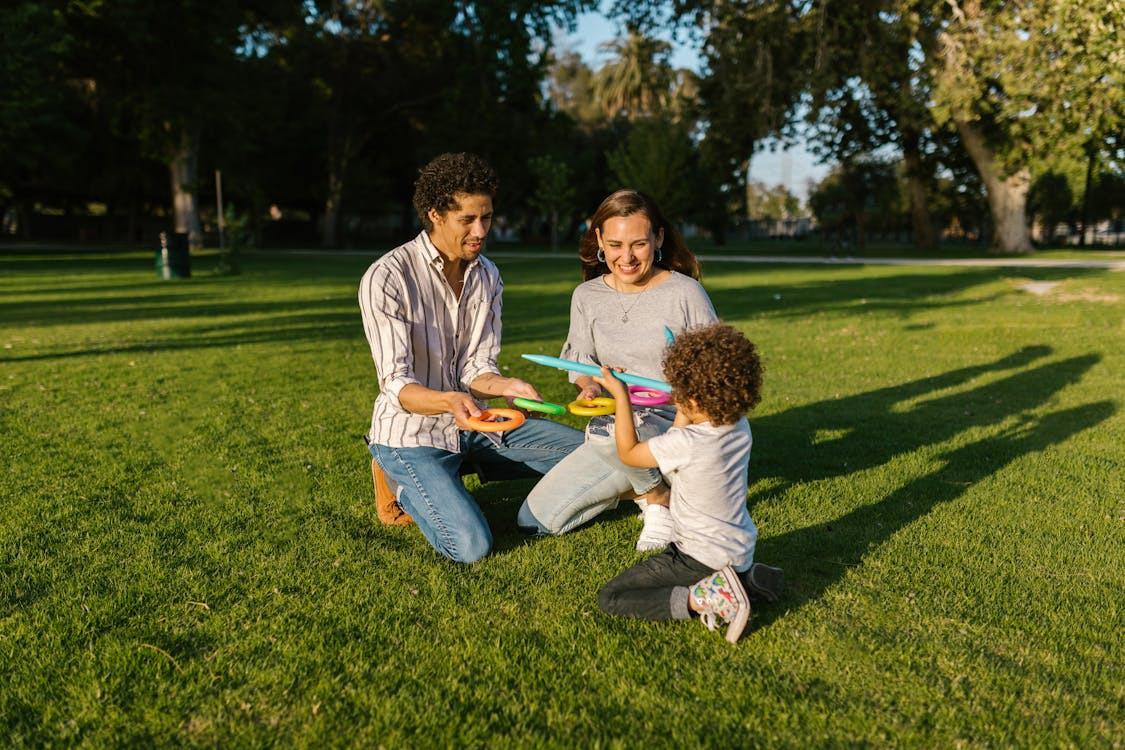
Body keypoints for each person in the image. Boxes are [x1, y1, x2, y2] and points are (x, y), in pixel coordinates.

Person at [358, 152, 584, 564]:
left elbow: (476, 368)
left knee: (594, 456)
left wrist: (506, 386)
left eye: (487, 217)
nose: (480, 230)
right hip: (410, 433)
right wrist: (448, 401)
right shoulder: (387, 277)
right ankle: (395, 474)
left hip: (474, 423)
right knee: (470, 545)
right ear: (435, 215)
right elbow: (396, 384)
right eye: (467, 220)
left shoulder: (488, 274)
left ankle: (454, 472)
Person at [518, 189, 717, 550]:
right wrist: (590, 386)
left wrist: (683, 423)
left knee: (603, 435)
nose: (626, 258)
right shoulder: (587, 296)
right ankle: (653, 486)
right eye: (615, 244)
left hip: (675, 420)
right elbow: (578, 361)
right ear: (599, 240)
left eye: (638, 244)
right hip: (616, 421)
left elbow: (714, 372)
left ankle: (656, 497)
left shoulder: (685, 293)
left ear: (658, 238)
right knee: (533, 520)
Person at [592, 323, 783, 642]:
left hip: (698, 557)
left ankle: (710, 596)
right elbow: (679, 434)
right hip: (738, 549)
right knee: (699, 570)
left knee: (611, 597)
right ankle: (745, 578)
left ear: (694, 398)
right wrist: (685, 403)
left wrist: (621, 397)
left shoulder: (689, 444)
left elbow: (629, 452)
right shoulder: (738, 426)